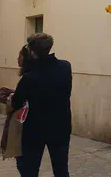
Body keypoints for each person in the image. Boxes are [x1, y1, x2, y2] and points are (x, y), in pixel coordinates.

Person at [11, 34, 72, 177]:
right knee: (61, 169)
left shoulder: (29, 77)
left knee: (29, 170)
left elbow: (16, 103)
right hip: (61, 126)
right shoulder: (65, 67)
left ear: (32, 52)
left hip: (34, 130)